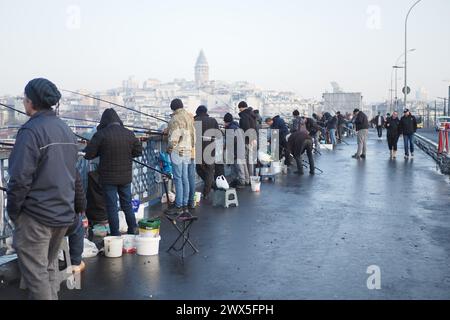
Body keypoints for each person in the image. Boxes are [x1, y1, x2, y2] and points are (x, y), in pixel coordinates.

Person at [8, 78, 79, 300]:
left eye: (24, 98)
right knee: (48, 269)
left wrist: (14, 212)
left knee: (36, 275)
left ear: (31, 102)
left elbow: (19, 179)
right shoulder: (65, 129)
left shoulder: (30, 131)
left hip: (37, 216)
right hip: (63, 213)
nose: (23, 102)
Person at [84, 108, 143, 236]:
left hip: (108, 178)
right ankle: (133, 229)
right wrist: (127, 154)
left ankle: (115, 234)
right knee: (126, 204)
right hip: (125, 177)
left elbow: (88, 154)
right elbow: (139, 151)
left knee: (111, 207)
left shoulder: (101, 134)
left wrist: (101, 152)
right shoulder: (129, 133)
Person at [165, 99, 196, 219]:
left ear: (173, 108)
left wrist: (169, 149)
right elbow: (193, 134)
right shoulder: (189, 117)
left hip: (178, 151)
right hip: (188, 150)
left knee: (177, 178)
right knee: (185, 178)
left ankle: (178, 206)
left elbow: (173, 138)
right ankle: (185, 205)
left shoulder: (175, 119)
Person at [194, 105, 219, 199]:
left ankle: (210, 186)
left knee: (199, 169)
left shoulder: (195, 121)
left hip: (199, 149)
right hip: (210, 148)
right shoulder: (213, 120)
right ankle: (208, 189)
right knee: (209, 170)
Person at [65, 171, 87, 274]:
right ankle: (75, 262)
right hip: (64, 219)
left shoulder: (33, 164)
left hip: (38, 220)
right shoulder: (70, 166)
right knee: (78, 226)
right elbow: (80, 200)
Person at [223, 113, 247, 188]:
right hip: (241, 149)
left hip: (236, 150)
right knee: (242, 166)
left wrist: (225, 146)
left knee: (239, 167)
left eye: (224, 122)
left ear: (226, 121)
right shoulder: (237, 127)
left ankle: (241, 182)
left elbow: (231, 141)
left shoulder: (231, 128)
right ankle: (245, 180)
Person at [238, 101, 257, 180]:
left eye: (239, 108)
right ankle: (251, 176)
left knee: (247, 159)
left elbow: (246, 127)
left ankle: (249, 177)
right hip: (253, 138)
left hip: (248, 140)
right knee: (251, 159)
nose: (239, 110)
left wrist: (249, 139)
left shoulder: (244, 115)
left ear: (242, 107)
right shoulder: (252, 114)